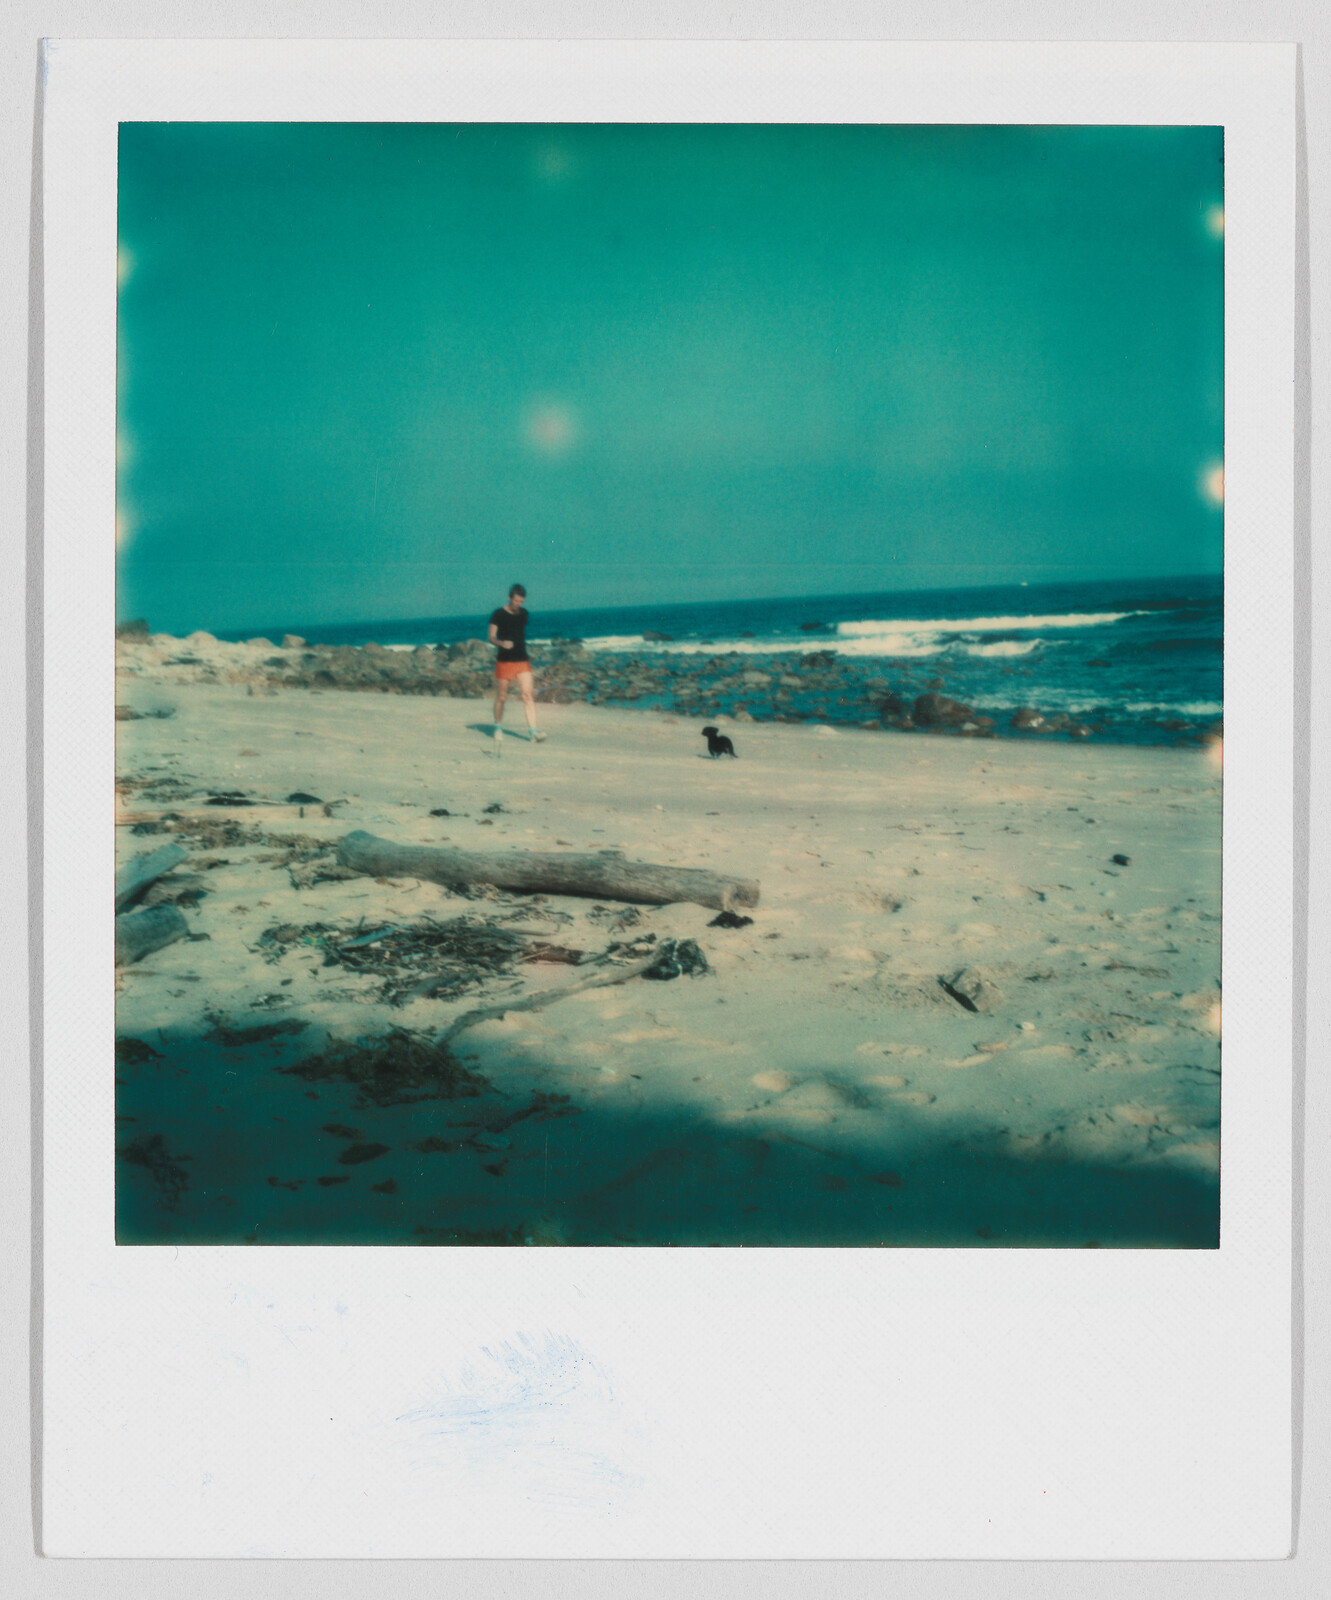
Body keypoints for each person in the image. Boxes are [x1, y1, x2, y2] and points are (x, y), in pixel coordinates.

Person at [488, 583, 545, 742]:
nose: (518, 604)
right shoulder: (498, 614)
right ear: (509, 598)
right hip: (504, 661)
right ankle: (497, 727)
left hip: (522, 660)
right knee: (502, 697)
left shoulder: (524, 614)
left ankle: (533, 732)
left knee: (527, 695)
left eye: (521, 601)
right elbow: (491, 637)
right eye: (516, 601)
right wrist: (501, 643)